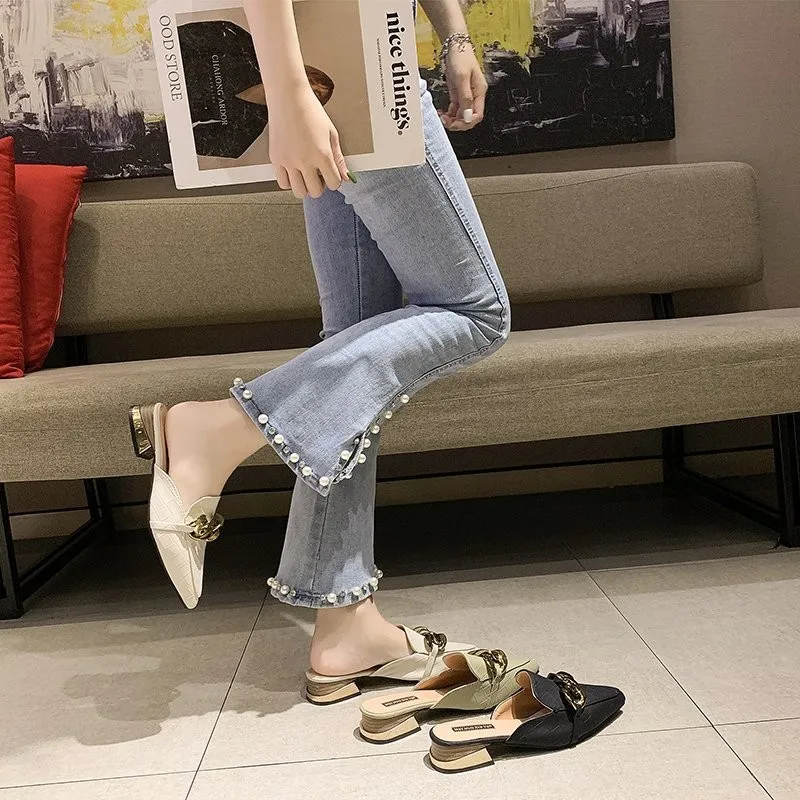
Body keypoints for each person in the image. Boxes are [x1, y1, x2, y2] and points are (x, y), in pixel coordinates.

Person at [129, 0, 511, 694]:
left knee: (356, 338)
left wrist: (453, 35)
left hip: (344, 58)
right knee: (475, 311)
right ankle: (215, 430)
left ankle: (344, 623)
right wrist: (289, 93)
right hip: (352, 66)